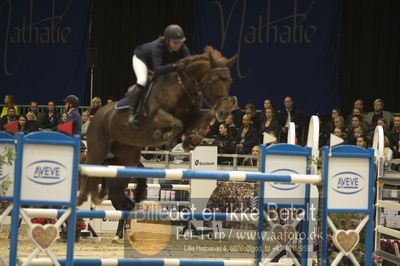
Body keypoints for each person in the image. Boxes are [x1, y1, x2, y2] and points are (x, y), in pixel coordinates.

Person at [127, 24, 190, 127]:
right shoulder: (158, 46)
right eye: (175, 42)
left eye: (180, 42)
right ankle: (131, 113)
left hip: (158, 65)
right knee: (142, 80)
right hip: (142, 59)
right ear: (167, 40)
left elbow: (189, 62)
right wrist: (175, 66)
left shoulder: (182, 48)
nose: (178, 45)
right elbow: (158, 69)